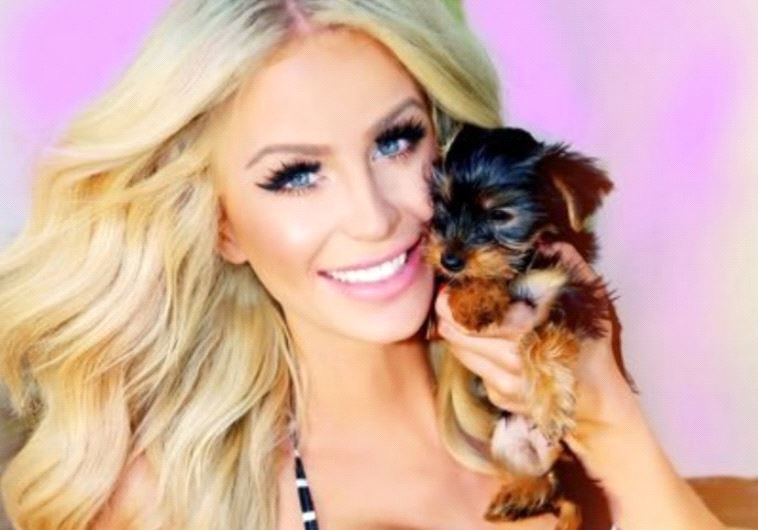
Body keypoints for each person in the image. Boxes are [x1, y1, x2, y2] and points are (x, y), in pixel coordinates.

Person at [0, 0, 726, 529]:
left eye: (395, 142)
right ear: (224, 227)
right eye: (296, 176)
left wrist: (610, 422)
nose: (374, 217)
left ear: (446, 139)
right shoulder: (171, 500)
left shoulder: (565, 434)